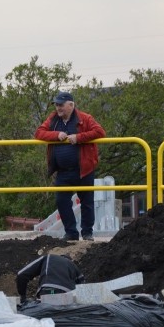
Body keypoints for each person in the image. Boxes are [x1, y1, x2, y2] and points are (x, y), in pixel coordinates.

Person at [34, 91, 106, 241]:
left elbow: (99, 132)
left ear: (71, 105)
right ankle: (71, 233)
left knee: (87, 202)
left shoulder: (85, 118)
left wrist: (79, 138)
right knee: (61, 201)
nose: (58, 108)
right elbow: (39, 133)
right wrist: (55, 135)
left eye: (61, 105)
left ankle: (87, 233)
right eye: (57, 105)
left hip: (84, 169)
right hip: (63, 171)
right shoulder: (53, 119)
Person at [16, 251, 85, 304]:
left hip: (47, 291)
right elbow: (83, 287)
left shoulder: (48, 258)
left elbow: (21, 274)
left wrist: (23, 297)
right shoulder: (73, 265)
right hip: (67, 295)